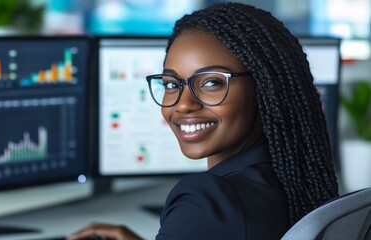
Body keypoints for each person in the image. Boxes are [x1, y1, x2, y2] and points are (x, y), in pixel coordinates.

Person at [68, 2, 338, 240]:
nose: (184, 104)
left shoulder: (208, 202)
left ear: (265, 88)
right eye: (171, 84)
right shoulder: (286, 181)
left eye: (211, 82)